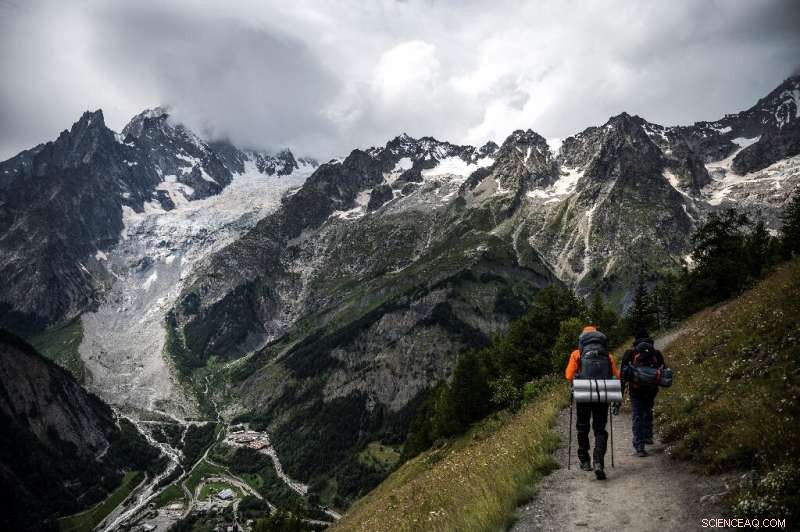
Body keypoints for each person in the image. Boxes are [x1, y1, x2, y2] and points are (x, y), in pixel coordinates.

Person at [565, 325, 620, 480]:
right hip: (601, 395)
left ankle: (584, 461)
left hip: (583, 394)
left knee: (582, 427)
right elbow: (616, 375)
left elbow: (569, 376)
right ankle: (598, 462)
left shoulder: (577, 354)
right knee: (600, 428)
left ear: (582, 339)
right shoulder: (607, 355)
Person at [620, 331, 665, 457]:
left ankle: (639, 447)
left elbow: (623, 374)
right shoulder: (656, 353)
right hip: (651, 388)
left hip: (636, 388)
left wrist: (621, 392)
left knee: (637, 414)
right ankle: (648, 435)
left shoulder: (630, 353)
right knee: (648, 409)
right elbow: (663, 370)